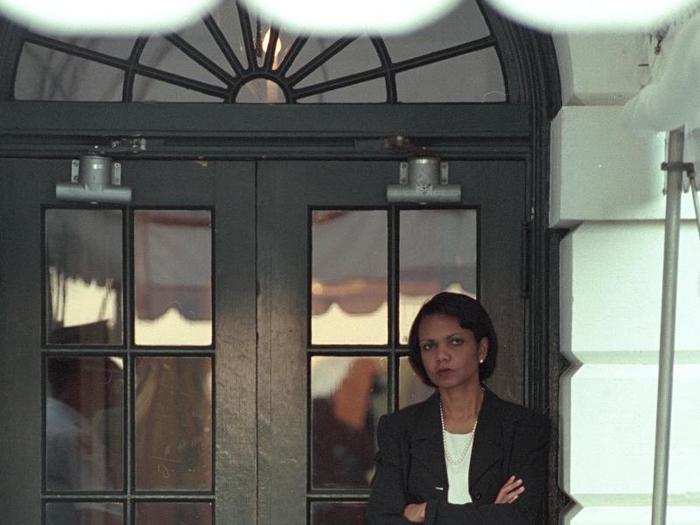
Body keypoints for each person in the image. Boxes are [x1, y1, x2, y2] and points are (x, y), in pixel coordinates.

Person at [366, 292, 550, 524]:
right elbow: (381, 518)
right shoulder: (399, 429)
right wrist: (489, 513)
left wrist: (428, 512)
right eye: (429, 346)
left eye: (455, 341)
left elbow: (522, 518)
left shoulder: (524, 428)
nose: (441, 356)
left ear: (481, 349)